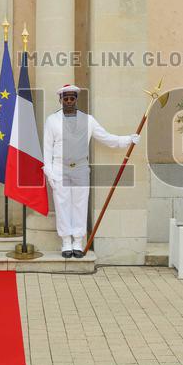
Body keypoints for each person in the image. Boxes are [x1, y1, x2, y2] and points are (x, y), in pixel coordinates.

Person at [43, 84, 138, 258]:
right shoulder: (52, 120)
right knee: (62, 205)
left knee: (80, 204)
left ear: (76, 99)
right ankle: (66, 242)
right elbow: (47, 150)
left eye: (72, 98)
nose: (69, 101)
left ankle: (78, 242)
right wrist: (50, 173)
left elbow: (106, 138)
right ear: (60, 100)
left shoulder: (88, 120)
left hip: (80, 168)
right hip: (59, 168)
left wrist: (127, 140)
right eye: (66, 98)